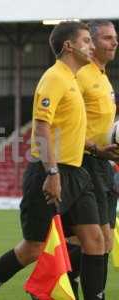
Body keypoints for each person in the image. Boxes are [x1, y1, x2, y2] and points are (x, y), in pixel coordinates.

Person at [0, 21, 106, 300]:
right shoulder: (54, 77)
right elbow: (41, 128)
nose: (93, 45)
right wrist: (52, 173)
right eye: (87, 40)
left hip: (77, 173)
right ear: (69, 46)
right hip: (50, 173)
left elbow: (69, 131)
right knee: (33, 248)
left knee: (95, 240)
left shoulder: (74, 80)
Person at [67, 19, 119, 299]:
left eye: (115, 38)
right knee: (92, 240)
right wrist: (94, 148)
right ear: (92, 42)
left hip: (103, 163)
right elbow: (66, 122)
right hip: (85, 162)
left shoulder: (103, 76)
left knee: (104, 240)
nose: (114, 42)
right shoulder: (82, 75)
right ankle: (61, 285)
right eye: (107, 38)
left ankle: (65, 285)